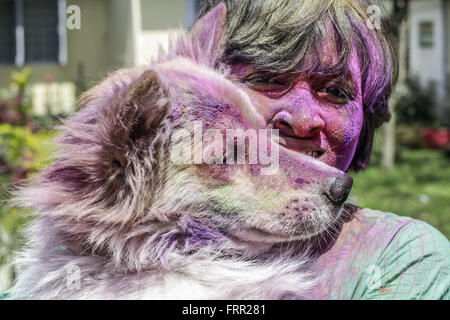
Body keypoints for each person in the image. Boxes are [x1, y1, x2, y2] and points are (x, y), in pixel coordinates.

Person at [197, 0, 449, 299]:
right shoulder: (134, 228)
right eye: (265, 79)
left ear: (365, 123)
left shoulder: (405, 260)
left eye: (334, 91)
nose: (302, 120)